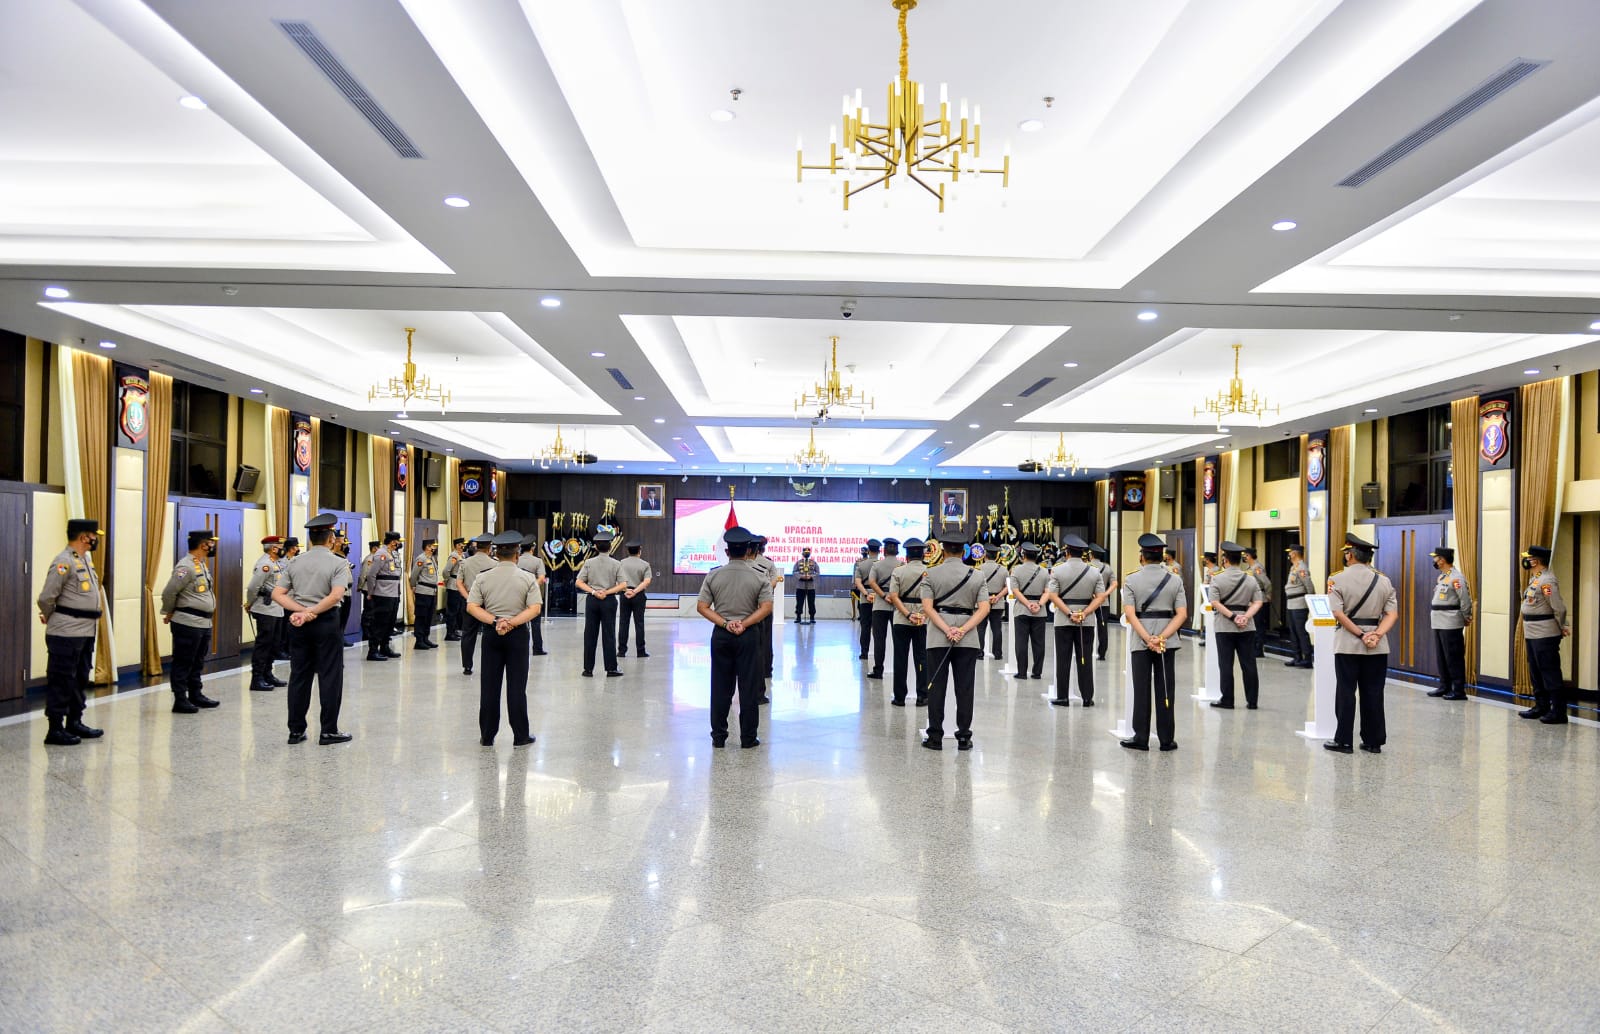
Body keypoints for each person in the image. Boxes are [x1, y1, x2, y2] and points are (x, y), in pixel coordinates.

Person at [272, 513, 353, 745]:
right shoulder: (338, 563)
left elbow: (277, 594)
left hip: (298, 624)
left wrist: (302, 611)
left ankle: (296, 731)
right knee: (330, 676)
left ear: (310, 540)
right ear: (331, 539)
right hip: (326, 623)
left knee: (299, 676)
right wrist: (313, 613)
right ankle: (328, 730)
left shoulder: (294, 562)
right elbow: (337, 594)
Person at [696, 527, 773, 748]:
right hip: (748, 636)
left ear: (727, 551)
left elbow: (702, 607)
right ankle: (748, 738)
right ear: (749, 550)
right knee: (748, 687)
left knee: (720, 686)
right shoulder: (759, 576)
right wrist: (744, 623)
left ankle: (719, 737)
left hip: (721, 635)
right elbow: (766, 607)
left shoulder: (714, 575)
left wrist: (725, 623)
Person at [1324, 532, 1398, 754]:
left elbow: (1337, 612)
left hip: (1348, 643)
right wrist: (1375, 635)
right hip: (1377, 646)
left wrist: (1360, 634)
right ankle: (1373, 741)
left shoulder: (1336, 578)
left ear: (1349, 555)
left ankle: (1344, 740)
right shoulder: (1384, 580)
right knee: (1374, 692)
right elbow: (1392, 614)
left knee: (1346, 691)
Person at [466, 531, 542, 746]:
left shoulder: (483, 577)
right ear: (517, 553)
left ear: (496, 553)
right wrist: (512, 622)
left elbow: (472, 606)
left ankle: (487, 735)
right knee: (517, 687)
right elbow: (535, 609)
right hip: (517, 636)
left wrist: (495, 621)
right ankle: (520, 735)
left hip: (492, 635)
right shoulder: (527, 578)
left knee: (489, 686)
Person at [36, 519, 106, 746]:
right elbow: (46, 597)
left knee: (80, 678)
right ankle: (55, 729)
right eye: (94, 535)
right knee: (62, 680)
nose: (96, 539)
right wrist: (49, 615)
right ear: (85, 537)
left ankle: (74, 722)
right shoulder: (63, 561)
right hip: (66, 632)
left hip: (85, 631)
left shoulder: (85, 561)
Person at [919, 532, 990, 751]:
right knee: (965, 688)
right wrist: (962, 629)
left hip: (938, 637)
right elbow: (984, 608)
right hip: (967, 639)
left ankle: (935, 737)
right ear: (963, 551)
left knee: (936, 687)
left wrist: (947, 629)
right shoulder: (977, 575)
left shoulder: (930, 574)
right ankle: (963, 737)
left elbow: (928, 608)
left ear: (943, 550)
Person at [1121, 533, 1188, 752]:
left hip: (1140, 642)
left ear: (1143, 556)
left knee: (1141, 690)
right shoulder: (1175, 579)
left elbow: (1130, 614)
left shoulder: (1131, 580)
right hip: (1166, 642)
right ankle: (1166, 739)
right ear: (1161, 556)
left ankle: (1141, 737)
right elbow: (1181, 615)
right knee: (1166, 689)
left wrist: (1146, 637)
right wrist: (1161, 637)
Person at [160, 528, 222, 714]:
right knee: (183, 661)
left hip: (203, 623)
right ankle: (180, 699)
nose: (213, 546)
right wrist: (169, 611)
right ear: (203, 544)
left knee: (197, 661)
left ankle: (196, 694)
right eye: (211, 542)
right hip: (187, 622)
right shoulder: (185, 567)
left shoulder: (200, 564)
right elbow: (169, 592)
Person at [1043, 534, 1106, 707]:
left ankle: (1063, 696)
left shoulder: (1058, 570)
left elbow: (1053, 596)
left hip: (1064, 620)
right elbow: (1101, 597)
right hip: (1086, 621)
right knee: (1084, 659)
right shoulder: (1094, 571)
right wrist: (1085, 613)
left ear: (1067, 552)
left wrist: (1069, 613)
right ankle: (1087, 697)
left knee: (1063, 659)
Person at [1208, 542, 1264, 710]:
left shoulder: (1217, 578)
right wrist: (1245, 616)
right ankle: (1252, 701)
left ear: (1225, 559)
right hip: (1246, 626)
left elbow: (1215, 602)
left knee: (1226, 664)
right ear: (1240, 560)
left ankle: (1228, 699)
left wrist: (1232, 616)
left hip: (1225, 626)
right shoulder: (1251, 579)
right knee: (1249, 663)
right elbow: (1258, 602)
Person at [1517, 545, 1570, 723]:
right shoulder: (1536, 579)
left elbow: (1558, 606)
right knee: (1536, 672)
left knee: (1549, 672)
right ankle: (1541, 706)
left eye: (1529, 558)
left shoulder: (1547, 581)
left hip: (1545, 632)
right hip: (1532, 632)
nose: (1526, 560)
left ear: (1536, 560)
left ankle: (1559, 711)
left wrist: (1563, 625)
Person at [885, 538, 929, 706]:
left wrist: (907, 614)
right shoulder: (929, 571)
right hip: (923, 620)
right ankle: (922, 696)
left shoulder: (898, 571)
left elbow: (894, 596)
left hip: (901, 620)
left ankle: (900, 697)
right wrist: (921, 614)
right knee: (922, 658)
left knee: (900, 658)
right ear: (923, 553)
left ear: (907, 555)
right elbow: (932, 598)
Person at [575, 531, 626, 677]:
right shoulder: (616, 564)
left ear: (596, 547)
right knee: (609, 634)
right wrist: (607, 592)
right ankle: (611, 668)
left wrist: (593, 592)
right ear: (610, 547)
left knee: (590, 634)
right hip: (608, 601)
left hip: (592, 601)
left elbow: (579, 582)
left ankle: (588, 669)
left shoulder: (589, 563)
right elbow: (623, 585)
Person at [1426, 546, 1471, 700]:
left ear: (1442, 560)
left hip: (1451, 621)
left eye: (1435, 558)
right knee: (1442, 657)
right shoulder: (1443, 577)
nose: (1434, 561)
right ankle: (1444, 686)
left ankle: (1458, 690)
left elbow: (1465, 599)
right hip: (1438, 621)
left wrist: (1466, 616)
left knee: (1453, 658)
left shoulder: (1456, 578)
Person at [246, 535, 288, 691]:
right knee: (264, 644)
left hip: (276, 608)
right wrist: (249, 603)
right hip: (265, 609)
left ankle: (268, 674)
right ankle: (257, 678)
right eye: (280, 546)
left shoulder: (276, 563)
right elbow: (253, 588)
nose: (283, 549)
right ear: (273, 548)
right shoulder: (265, 564)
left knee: (274, 644)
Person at [455, 533, 497, 676]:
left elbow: (458, 583)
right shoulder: (494, 563)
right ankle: (490, 664)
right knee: (490, 634)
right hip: (488, 604)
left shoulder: (465, 562)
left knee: (468, 634)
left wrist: (468, 597)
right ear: (489, 548)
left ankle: (467, 666)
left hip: (469, 603)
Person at [360, 532, 404, 661]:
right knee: (379, 623)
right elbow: (371, 575)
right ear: (392, 542)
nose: (399, 544)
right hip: (382, 593)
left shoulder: (393, 553)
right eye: (398, 541)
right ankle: (373, 651)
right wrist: (371, 592)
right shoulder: (381, 554)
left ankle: (385, 647)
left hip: (393, 593)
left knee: (390, 623)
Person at [1008, 542, 1048, 679]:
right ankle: (1037, 672)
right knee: (1039, 643)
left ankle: (1022, 672)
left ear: (1023, 555)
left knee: (1021, 642)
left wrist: (1027, 604)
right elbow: (1047, 591)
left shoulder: (1016, 570)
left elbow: (1015, 590)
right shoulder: (1044, 571)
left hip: (1021, 610)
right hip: (1039, 611)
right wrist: (1039, 604)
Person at [866, 538, 901, 680]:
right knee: (898, 640)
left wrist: (882, 595)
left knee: (879, 639)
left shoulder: (877, 565)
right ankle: (899, 670)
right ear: (897, 550)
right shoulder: (902, 565)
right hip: (896, 606)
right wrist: (894, 596)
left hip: (880, 605)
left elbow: (871, 582)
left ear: (884, 550)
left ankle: (878, 670)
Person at [618, 541, 652, 658]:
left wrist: (626, 590)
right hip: (638, 596)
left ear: (628, 551)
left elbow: (617, 580)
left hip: (625, 595)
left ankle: (621, 651)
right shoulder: (645, 564)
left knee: (623, 623)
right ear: (639, 551)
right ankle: (640, 651)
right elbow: (646, 581)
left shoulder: (621, 563)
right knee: (639, 623)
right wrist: (635, 591)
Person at [516, 534, 549, 655]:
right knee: (535, 624)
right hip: (534, 597)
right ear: (533, 547)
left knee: (518, 622)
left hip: (518, 595)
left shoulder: (516, 560)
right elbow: (541, 578)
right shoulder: (538, 561)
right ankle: (537, 648)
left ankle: (519, 648)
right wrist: (531, 588)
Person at [975, 545, 1008, 661]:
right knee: (997, 629)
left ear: (985, 556)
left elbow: (975, 586)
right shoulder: (1003, 569)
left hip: (982, 602)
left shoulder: (978, 569)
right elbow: (1007, 587)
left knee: (980, 628)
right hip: (997, 602)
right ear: (996, 556)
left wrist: (985, 597)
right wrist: (997, 597)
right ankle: (997, 653)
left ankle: (979, 653)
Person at [1283, 544, 1314, 667]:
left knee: (1301, 632)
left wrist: (1311, 601)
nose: (1289, 554)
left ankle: (1306, 658)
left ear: (1294, 553)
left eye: (1290, 552)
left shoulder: (1302, 568)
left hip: (1300, 604)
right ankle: (1296, 657)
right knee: (1293, 632)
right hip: (1291, 603)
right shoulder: (1293, 568)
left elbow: (1309, 586)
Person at [409, 538, 440, 649]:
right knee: (421, 617)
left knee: (428, 617)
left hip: (431, 592)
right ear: (427, 546)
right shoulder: (421, 558)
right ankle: (419, 640)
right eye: (433, 545)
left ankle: (426, 638)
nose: (435, 547)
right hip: (423, 591)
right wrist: (413, 586)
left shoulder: (431, 558)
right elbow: (413, 575)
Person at [1089, 544, 1117, 661]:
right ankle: (1102, 653)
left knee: (1087, 627)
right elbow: (1115, 583)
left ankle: (1087, 651)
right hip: (1103, 603)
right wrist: (1105, 594)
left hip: (1089, 602)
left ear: (1091, 555)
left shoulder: (1087, 567)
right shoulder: (1107, 568)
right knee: (1103, 628)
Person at [853, 539, 880, 660]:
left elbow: (857, 582)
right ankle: (878, 653)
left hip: (865, 598)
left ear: (868, 550)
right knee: (879, 627)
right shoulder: (881, 564)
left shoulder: (861, 564)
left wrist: (865, 594)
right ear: (879, 551)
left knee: (865, 626)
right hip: (880, 598)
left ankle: (864, 652)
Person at [1244, 547, 1271, 658]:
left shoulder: (1257, 567)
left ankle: (1259, 649)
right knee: (1253, 625)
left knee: (1259, 625)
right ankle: (1253, 647)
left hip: (1260, 598)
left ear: (1249, 556)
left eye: (1245, 555)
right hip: (1252, 600)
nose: (1244, 557)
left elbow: (1266, 583)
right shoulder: (1249, 568)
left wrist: (1268, 595)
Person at [441, 538, 466, 641]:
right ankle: (449, 633)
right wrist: (448, 580)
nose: (462, 546)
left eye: (463, 544)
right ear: (456, 545)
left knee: (458, 611)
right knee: (452, 611)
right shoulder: (454, 556)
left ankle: (455, 631)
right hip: (453, 586)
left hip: (460, 586)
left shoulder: (462, 556)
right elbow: (446, 571)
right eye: (460, 544)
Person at [792, 548, 818, 623]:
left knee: (811, 602)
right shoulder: (798, 562)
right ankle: (798, 617)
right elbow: (794, 571)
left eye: (808, 552)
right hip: (800, 586)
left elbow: (817, 572)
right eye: (805, 552)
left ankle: (812, 617)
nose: (806, 554)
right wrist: (801, 576)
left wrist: (811, 576)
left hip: (810, 586)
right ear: (802, 553)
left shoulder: (813, 562)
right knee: (799, 602)